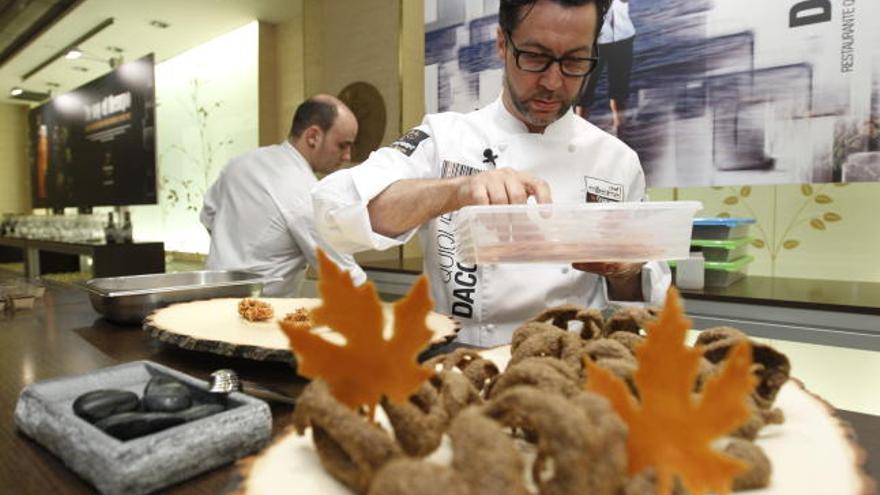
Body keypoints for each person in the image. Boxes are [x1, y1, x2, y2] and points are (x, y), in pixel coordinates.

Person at [312, 0, 670, 347]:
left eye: (575, 60)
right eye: (535, 56)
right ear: (502, 43)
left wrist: (626, 272)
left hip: (570, 369)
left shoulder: (617, 162)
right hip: (459, 360)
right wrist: (458, 190)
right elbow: (333, 208)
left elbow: (643, 302)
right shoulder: (446, 138)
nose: (553, 81)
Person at [200, 95, 366, 296]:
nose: (348, 156)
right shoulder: (306, 193)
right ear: (313, 136)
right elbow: (344, 276)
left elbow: (208, 215)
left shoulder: (241, 163)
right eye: (342, 145)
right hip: (257, 315)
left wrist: (237, 251)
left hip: (208, 303)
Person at [575, 0, 635, 134]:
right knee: (585, 90)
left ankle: (620, 130)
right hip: (594, 42)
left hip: (623, 38)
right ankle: (578, 133)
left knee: (619, 90)